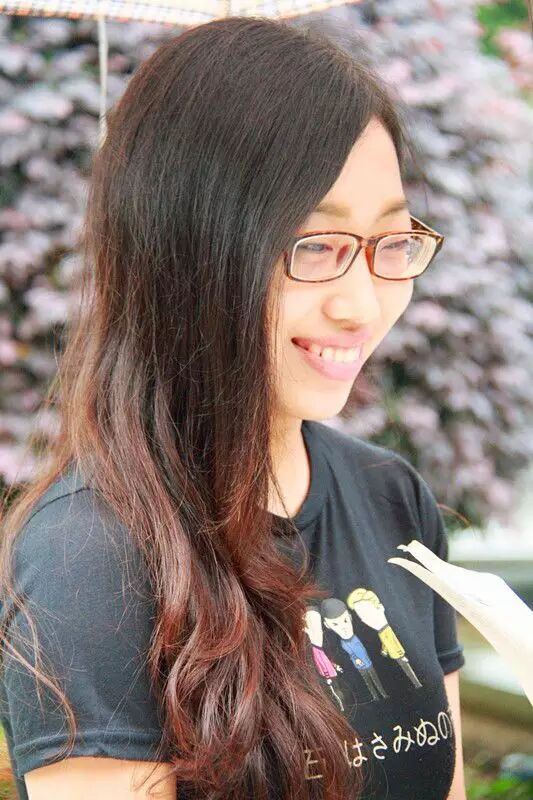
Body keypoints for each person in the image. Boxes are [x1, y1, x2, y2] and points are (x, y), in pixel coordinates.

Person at [0, 15, 466, 800]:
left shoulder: (391, 498)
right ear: (188, 250)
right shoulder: (89, 559)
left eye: (391, 241)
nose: (362, 305)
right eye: (314, 245)